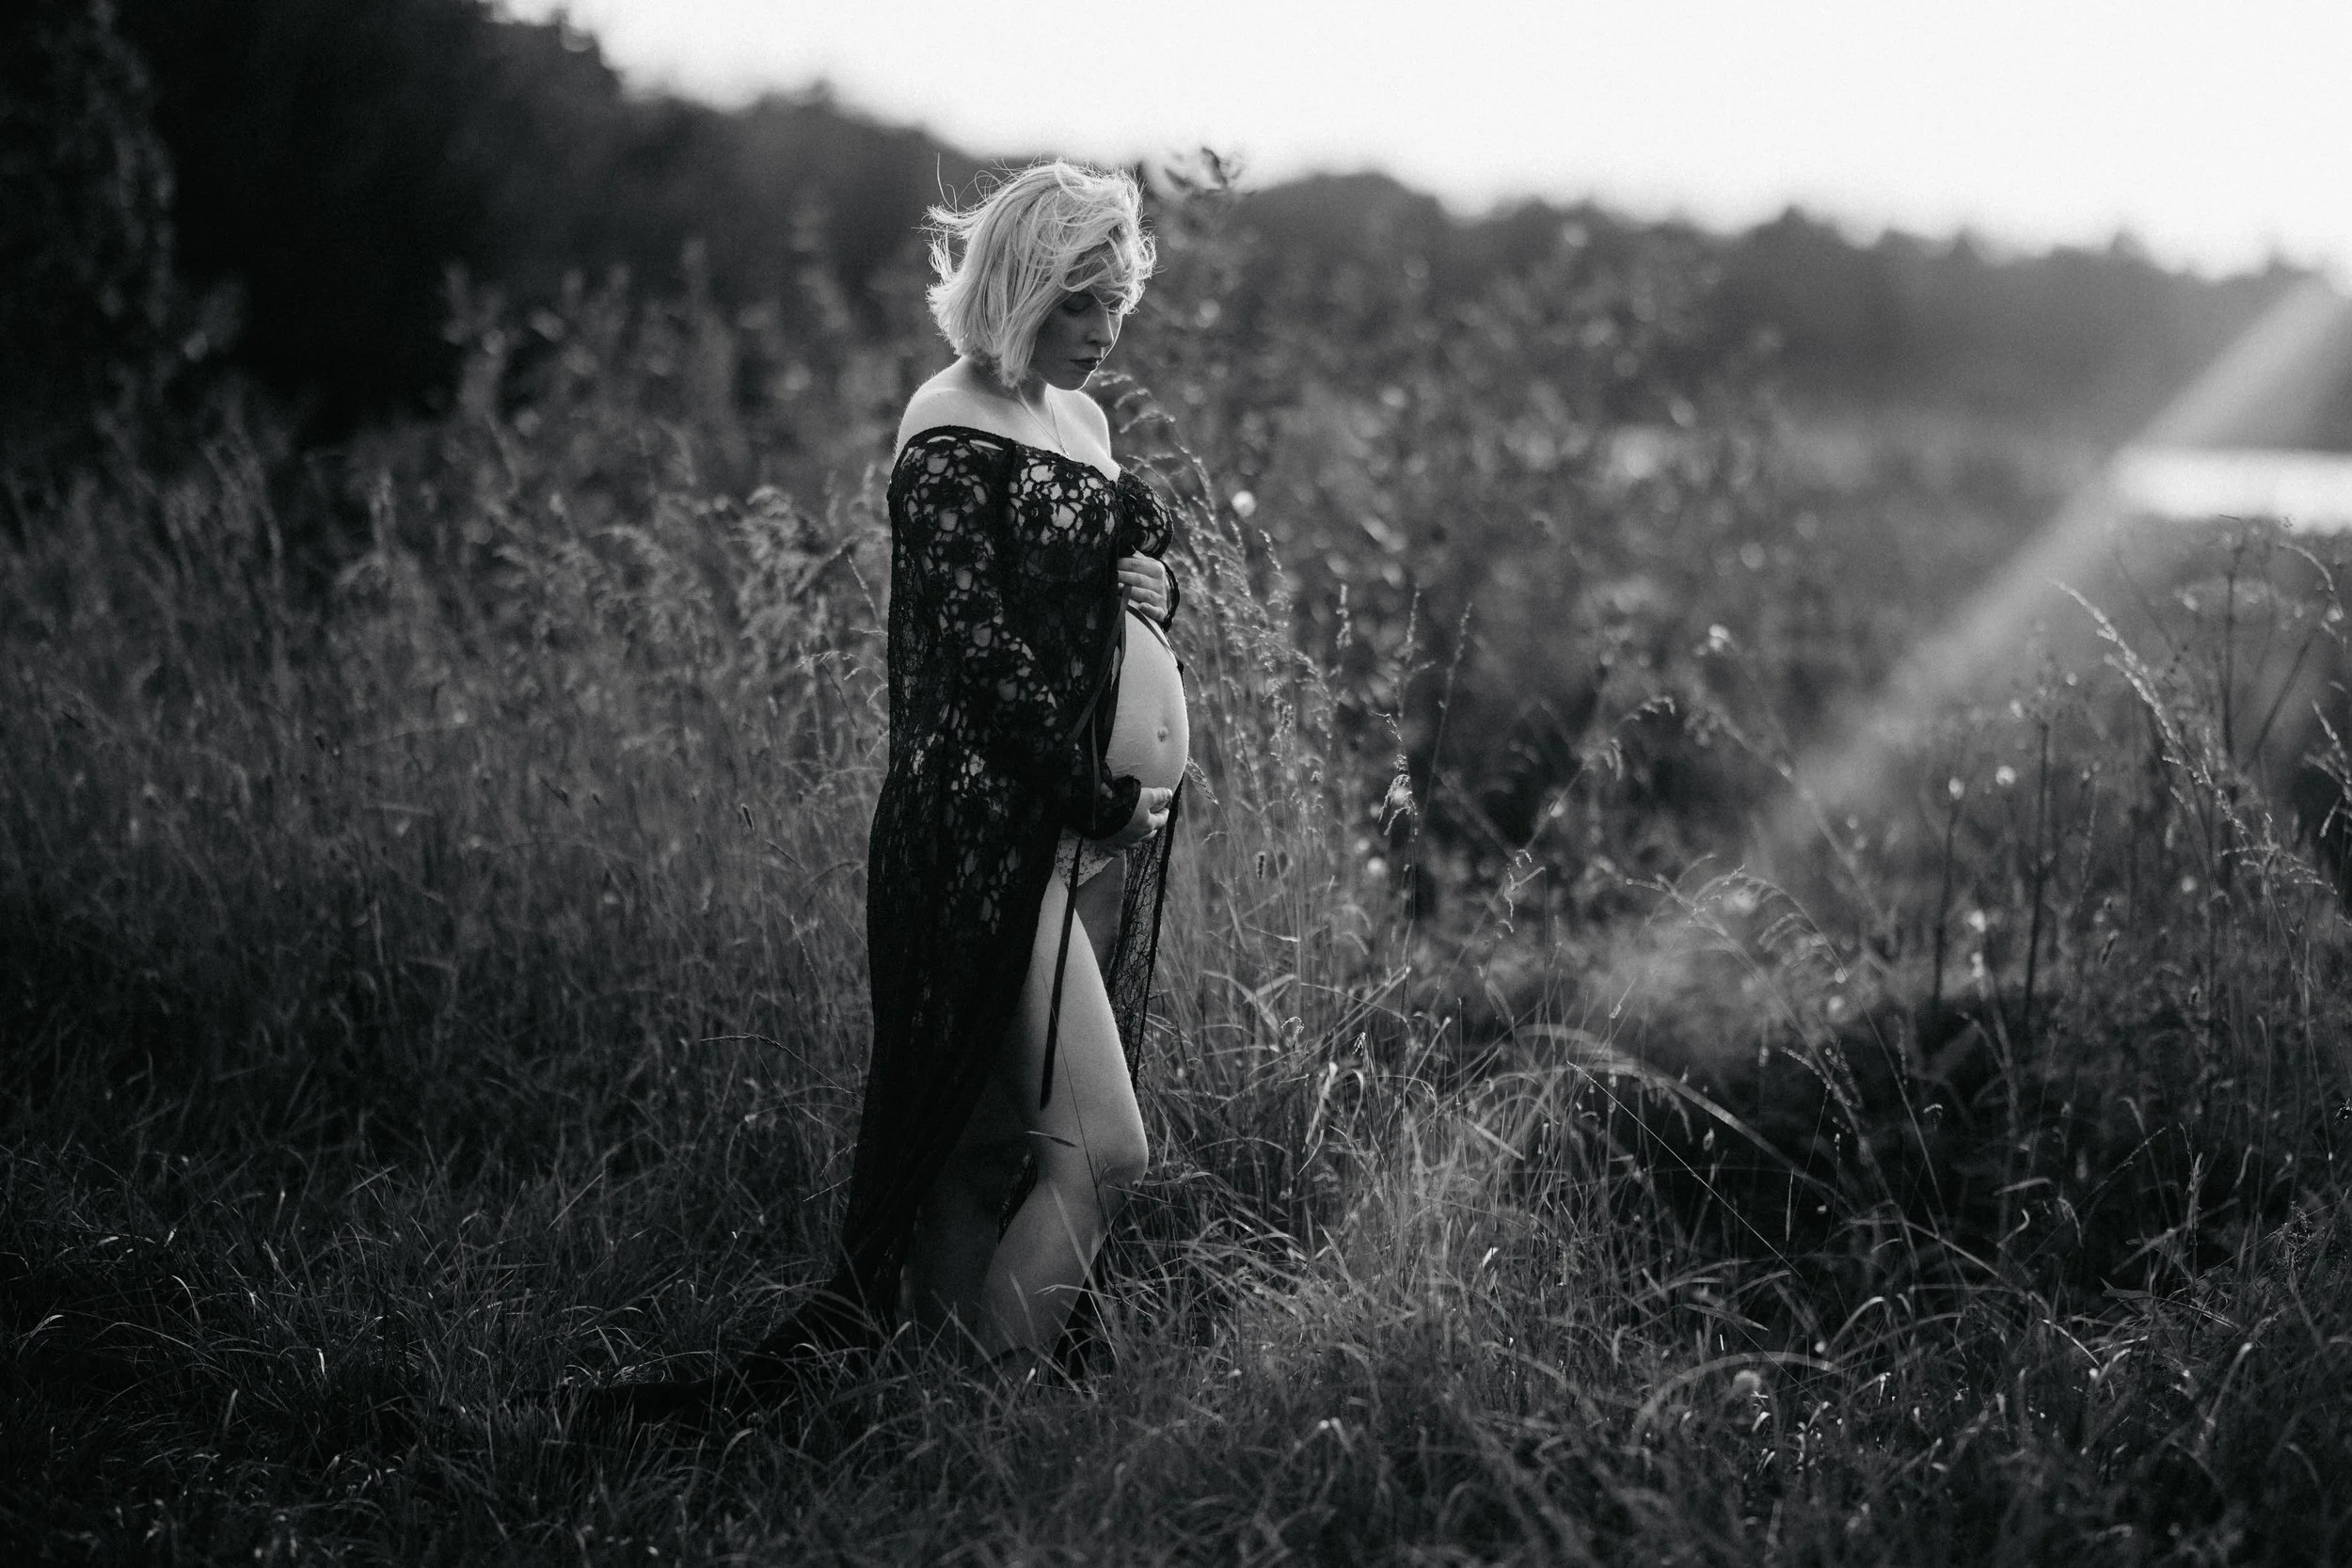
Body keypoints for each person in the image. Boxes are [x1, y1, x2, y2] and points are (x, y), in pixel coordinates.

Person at [598, 160, 1188, 1417]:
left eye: (1117, 313)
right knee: (1103, 1149)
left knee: (992, 1145)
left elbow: (1105, 584)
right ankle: (1003, 1422)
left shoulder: (1081, 426)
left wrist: (1148, 588)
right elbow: (975, 653)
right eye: (1082, 309)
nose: (1101, 337)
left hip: (1085, 835)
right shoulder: (945, 419)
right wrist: (1090, 796)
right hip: (985, 830)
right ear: (1024, 288)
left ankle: (936, 1414)